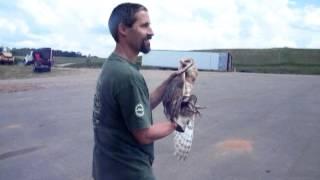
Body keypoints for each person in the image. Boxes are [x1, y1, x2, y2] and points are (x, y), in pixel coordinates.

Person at [91, 3, 187, 180]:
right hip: (129, 171)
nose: (151, 32)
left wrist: (171, 80)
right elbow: (144, 134)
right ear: (123, 29)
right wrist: (178, 122)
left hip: (107, 168)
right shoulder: (127, 76)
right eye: (144, 25)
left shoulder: (113, 66)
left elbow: (141, 107)